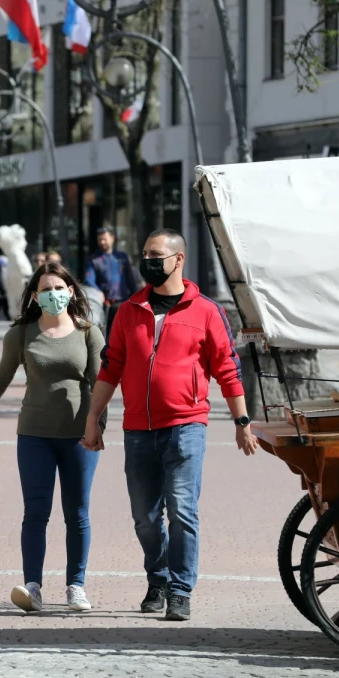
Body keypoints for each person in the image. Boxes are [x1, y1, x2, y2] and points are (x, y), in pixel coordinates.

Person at [83, 229, 258, 622]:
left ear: (178, 260)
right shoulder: (128, 310)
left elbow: (228, 368)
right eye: (144, 253)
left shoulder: (206, 311)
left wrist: (241, 421)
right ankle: (157, 578)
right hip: (138, 429)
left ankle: (180, 589)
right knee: (145, 517)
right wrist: (93, 419)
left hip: (186, 425)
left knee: (182, 511)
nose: (148, 261)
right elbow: (110, 368)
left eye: (156, 254)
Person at [0, 262, 105, 613]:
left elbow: (100, 384)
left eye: (59, 288)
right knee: (36, 511)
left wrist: (99, 425)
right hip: (34, 434)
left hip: (79, 437)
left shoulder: (89, 333)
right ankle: (32, 585)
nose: (53, 295)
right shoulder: (21, 334)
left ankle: (75, 585)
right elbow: (2, 375)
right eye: (46, 290)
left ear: (72, 291)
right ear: (35, 296)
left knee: (77, 512)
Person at [84, 225, 142, 337]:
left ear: (112, 238)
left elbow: (131, 279)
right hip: (106, 304)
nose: (102, 242)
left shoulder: (122, 257)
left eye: (104, 239)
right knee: (106, 334)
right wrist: (98, 292)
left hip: (123, 302)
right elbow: (89, 280)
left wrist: (136, 297)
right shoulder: (94, 260)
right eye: (100, 239)